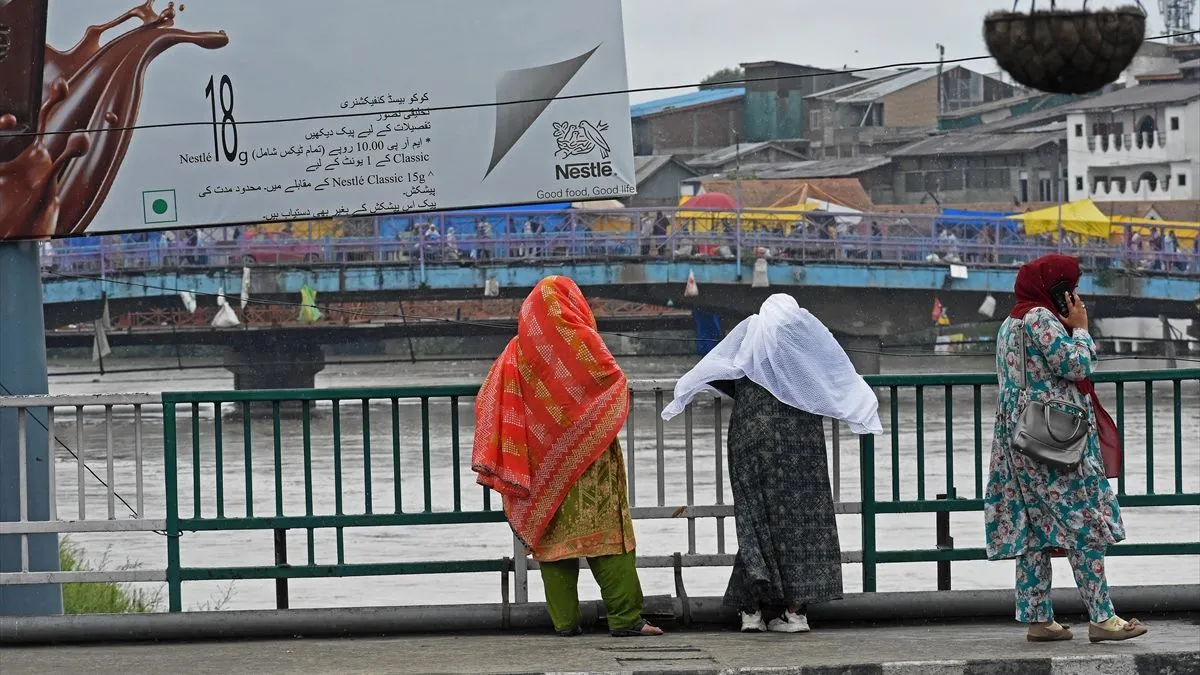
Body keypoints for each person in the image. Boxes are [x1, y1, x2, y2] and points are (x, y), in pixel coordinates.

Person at [661, 294, 882, 634]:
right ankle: (795, 614)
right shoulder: (806, 352)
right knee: (801, 523)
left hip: (752, 438)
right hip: (801, 444)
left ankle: (751, 612)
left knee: (755, 522)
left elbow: (719, 373)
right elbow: (832, 382)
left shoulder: (750, 342)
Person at [472, 276, 663, 638]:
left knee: (552, 543)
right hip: (591, 460)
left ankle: (564, 623)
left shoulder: (516, 353)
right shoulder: (583, 343)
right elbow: (613, 382)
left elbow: (488, 401)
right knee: (609, 539)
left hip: (540, 469)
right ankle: (625, 620)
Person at [985, 254, 1146, 643]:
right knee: (1084, 522)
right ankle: (1103, 618)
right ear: (1054, 289)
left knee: (1034, 530)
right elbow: (1077, 366)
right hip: (1054, 441)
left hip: (1017, 439)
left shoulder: (1011, 322)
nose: (1073, 295)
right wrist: (1081, 329)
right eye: (1069, 288)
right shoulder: (1041, 319)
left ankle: (1039, 620)